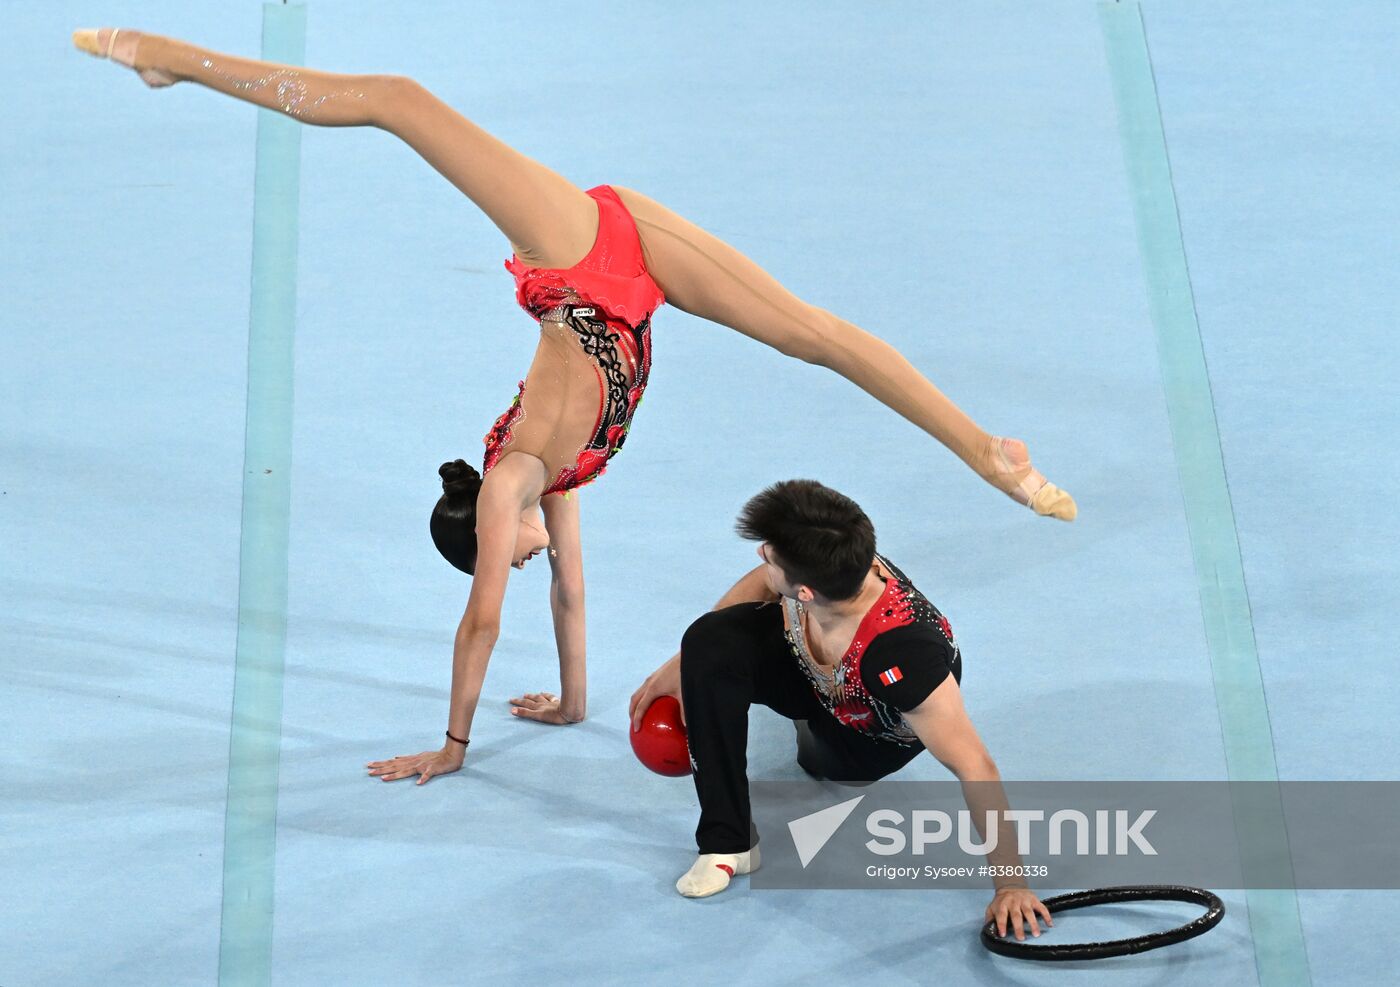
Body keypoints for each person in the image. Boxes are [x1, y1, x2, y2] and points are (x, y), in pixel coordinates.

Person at [74, 29, 1076, 786]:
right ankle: (989, 452)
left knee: (397, 101)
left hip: (583, 256)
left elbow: (479, 623)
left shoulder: (513, 480)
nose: (525, 552)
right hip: (635, 281)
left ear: (485, 535)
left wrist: (454, 744)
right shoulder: (561, 478)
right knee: (808, 337)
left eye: (502, 552)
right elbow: (569, 596)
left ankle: (166, 58)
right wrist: (572, 702)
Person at [630, 479, 1052, 940]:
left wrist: (1011, 884)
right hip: (811, 668)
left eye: (769, 555)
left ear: (806, 592)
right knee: (707, 640)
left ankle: (807, 730)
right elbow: (761, 584)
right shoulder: (838, 563)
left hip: (859, 739)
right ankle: (727, 842)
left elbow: (977, 766)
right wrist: (685, 663)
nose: (760, 557)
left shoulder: (903, 658)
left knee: (820, 764)